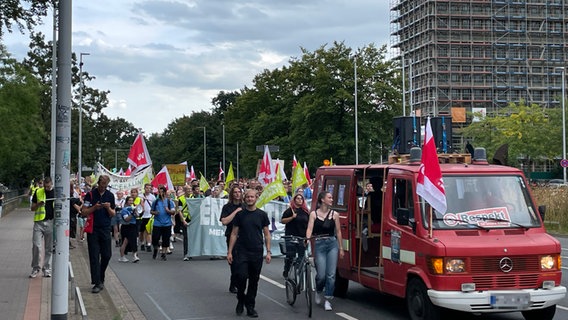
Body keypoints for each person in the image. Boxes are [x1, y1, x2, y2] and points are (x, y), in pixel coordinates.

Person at [227, 189, 271, 318]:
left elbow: (267, 234)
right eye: (248, 197)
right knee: (241, 276)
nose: (250, 199)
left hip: (257, 251)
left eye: (252, 197)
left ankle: (250, 306)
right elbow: (234, 233)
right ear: (244, 199)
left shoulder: (262, 215)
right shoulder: (240, 215)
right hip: (242, 251)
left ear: (256, 198)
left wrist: (268, 251)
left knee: (253, 281)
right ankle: (241, 298)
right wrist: (229, 251)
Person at [306, 190, 344, 311]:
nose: (332, 200)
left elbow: (338, 232)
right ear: (322, 199)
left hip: (332, 244)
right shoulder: (313, 214)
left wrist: (341, 248)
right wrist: (307, 239)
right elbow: (309, 228)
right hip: (319, 243)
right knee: (321, 275)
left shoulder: (335, 214)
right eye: (329, 197)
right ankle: (318, 290)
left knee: (331, 274)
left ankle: (328, 298)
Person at [81, 175, 116, 293]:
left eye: (105, 186)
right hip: (93, 229)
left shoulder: (110, 196)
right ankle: (97, 282)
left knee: (107, 255)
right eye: (102, 185)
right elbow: (83, 211)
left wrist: (108, 208)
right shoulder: (90, 195)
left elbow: (113, 214)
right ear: (99, 183)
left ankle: (101, 276)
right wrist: (94, 208)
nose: (103, 188)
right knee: (94, 256)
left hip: (105, 228)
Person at [220, 185, 244, 293]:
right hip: (231, 236)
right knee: (234, 261)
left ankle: (238, 283)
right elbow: (224, 221)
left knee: (242, 262)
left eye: (239, 192)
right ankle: (233, 283)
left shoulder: (245, 206)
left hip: (244, 237)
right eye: (235, 192)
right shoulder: (227, 207)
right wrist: (236, 212)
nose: (237, 194)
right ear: (232, 194)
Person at [29, 176, 55, 278]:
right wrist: (38, 204)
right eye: (45, 186)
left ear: (51, 184)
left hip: (50, 222)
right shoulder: (38, 192)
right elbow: (32, 208)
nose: (47, 188)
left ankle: (47, 269)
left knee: (48, 248)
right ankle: (35, 268)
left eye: (48, 186)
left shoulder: (55, 193)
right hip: (39, 222)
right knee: (36, 245)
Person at [280, 193, 310, 278]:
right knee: (290, 255)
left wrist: (307, 237)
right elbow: (282, 221)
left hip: (302, 236)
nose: (300, 200)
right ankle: (287, 269)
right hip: (291, 236)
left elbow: (309, 224)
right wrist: (292, 217)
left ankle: (299, 273)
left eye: (301, 199)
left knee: (301, 256)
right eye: (298, 198)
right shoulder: (290, 210)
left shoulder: (305, 212)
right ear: (294, 200)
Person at [150, 186, 176, 261]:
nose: (160, 194)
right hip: (157, 223)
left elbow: (173, 211)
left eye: (162, 192)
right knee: (155, 238)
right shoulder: (156, 201)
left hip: (167, 224)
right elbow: (151, 211)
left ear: (165, 192)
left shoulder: (169, 202)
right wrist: (155, 212)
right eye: (159, 192)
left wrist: (168, 210)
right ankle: (155, 248)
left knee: (166, 239)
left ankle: (163, 253)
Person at [119, 196, 140, 263]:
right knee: (125, 242)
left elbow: (137, 216)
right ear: (127, 201)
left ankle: (135, 256)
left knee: (134, 241)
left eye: (132, 200)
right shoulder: (124, 210)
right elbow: (126, 219)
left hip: (133, 226)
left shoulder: (133, 208)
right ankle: (122, 256)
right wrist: (131, 213)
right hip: (126, 226)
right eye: (129, 200)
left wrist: (136, 211)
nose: (131, 202)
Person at [176, 185, 192, 261]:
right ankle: (186, 254)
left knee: (193, 237)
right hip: (185, 219)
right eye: (188, 189)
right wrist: (183, 220)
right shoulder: (181, 199)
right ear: (184, 190)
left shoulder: (193, 197)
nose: (189, 191)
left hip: (193, 219)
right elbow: (180, 211)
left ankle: (192, 252)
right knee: (186, 237)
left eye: (190, 189)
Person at [139, 183, 156, 252]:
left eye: (149, 188)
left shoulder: (153, 197)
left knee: (148, 231)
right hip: (142, 216)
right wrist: (143, 200)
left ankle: (149, 244)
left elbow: (154, 205)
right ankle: (142, 243)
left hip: (149, 215)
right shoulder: (140, 196)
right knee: (141, 231)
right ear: (144, 188)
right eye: (147, 188)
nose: (148, 189)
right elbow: (139, 204)